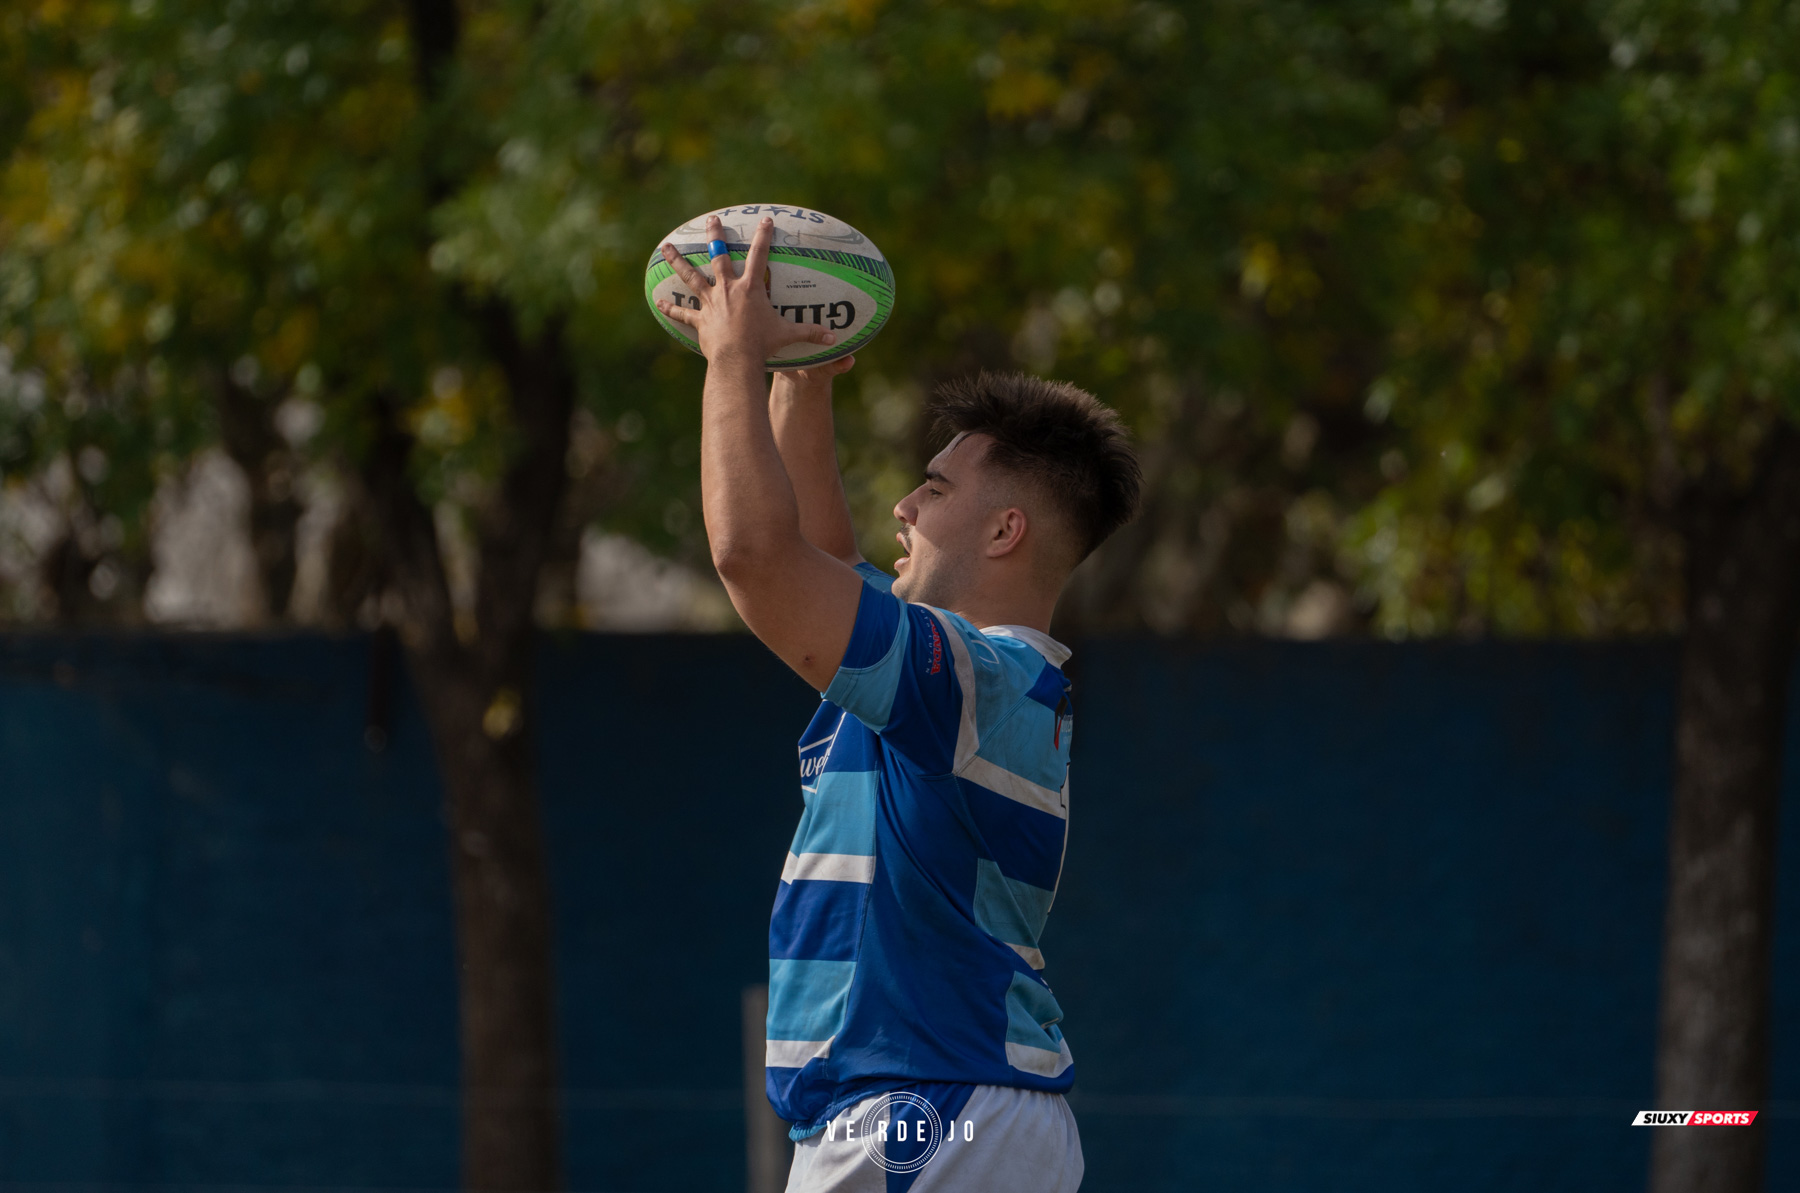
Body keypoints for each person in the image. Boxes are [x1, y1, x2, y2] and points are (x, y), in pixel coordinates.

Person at [657, 215, 1140, 1192]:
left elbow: (759, 555)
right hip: (945, 1109)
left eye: (932, 487)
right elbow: (820, 556)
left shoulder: (974, 676)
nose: (904, 509)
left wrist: (733, 360)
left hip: (927, 1107)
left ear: (1006, 530)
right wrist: (804, 372)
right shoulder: (954, 670)